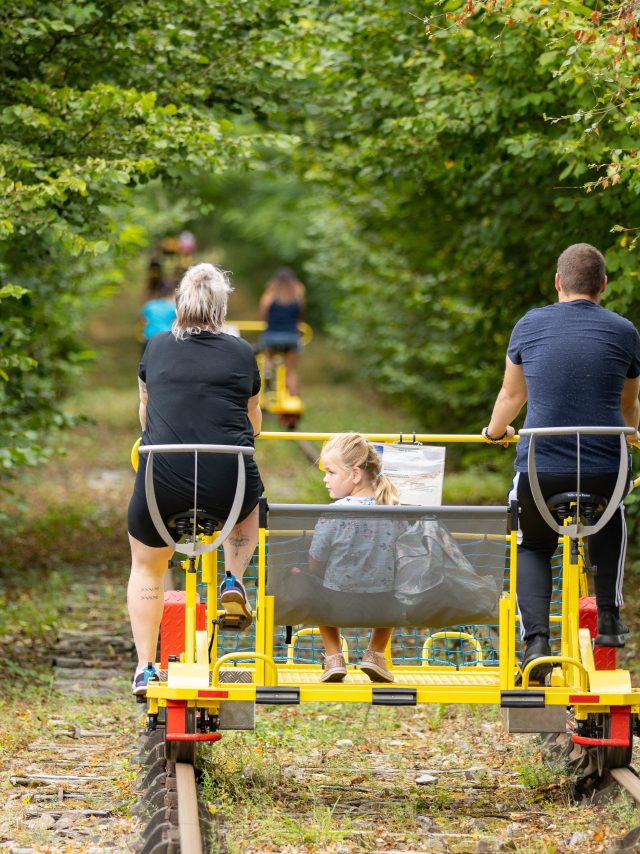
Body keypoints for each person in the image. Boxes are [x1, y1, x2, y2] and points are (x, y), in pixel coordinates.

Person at [483, 242, 640, 682]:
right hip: (606, 463)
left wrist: (495, 432)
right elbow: (630, 409)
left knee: (533, 544)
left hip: (542, 467)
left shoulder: (530, 325)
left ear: (558, 282)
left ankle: (536, 644)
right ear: (603, 285)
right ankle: (608, 616)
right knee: (613, 513)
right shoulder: (624, 330)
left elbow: (512, 396)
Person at [127, 263, 263, 696]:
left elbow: (146, 414)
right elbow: (253, 421)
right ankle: (233, 577)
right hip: (228, 482)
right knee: (251, 502)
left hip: (161, 479)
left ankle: (147, 666)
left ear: (179, 306)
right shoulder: (242, 353)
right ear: (221, 308)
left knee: (147, 567)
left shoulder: (156, 347)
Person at [310, 433, 400, 683]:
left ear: (356, 474)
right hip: (383, 606)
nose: (325, 479)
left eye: (330, 472)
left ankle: (334, 657)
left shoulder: (334, 512)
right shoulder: (395, 509)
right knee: (399, 585)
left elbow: (316, 560)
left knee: (311, 583)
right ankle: (375, 653)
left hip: (337, 603)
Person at [258, 267, 306, 396]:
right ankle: (294, 403)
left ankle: (268, 375)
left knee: (267, 358)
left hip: (272, 336)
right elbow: (300, 316)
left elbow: (263, 316)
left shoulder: (269, 295)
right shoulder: (298, 296)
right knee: (290, 371)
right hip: (291, 337)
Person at [139, 280, 177, 352]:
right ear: (173, 294)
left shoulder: (150, 304)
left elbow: (142, 320)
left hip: (148, 340)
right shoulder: (173, 308)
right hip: (165, 340)